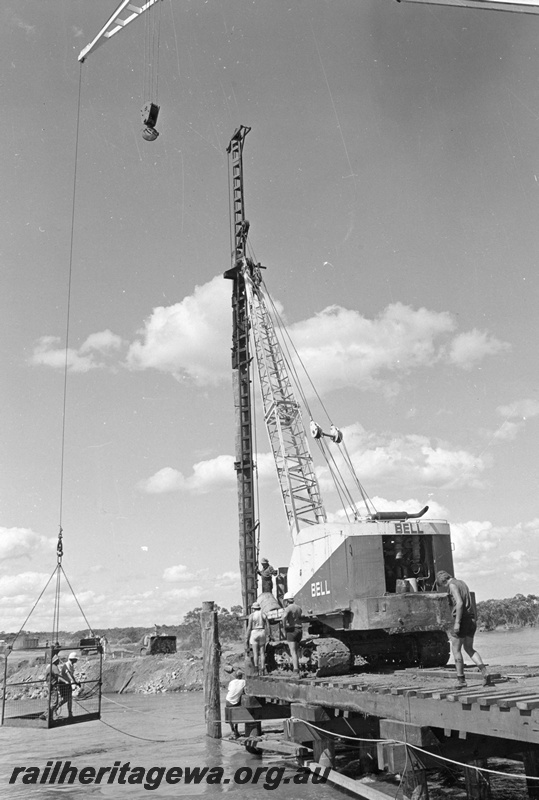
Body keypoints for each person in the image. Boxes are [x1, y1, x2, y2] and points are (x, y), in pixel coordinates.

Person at [436, 570, 492, 688]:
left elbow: (460, 603)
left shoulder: (452, 585)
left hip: (462, 619)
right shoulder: (462, 583)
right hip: (471, 619)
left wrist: (457, 623)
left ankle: (461, 680)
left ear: (443, 581)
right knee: (469, 648)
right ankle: (485, 672)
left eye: (442, 585)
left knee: (456, 649)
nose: (444, 587)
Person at [40, 654, 70, 721]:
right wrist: (66, 681)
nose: (59, 662)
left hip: (49, 686)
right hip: (53, 686)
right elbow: (58, 676)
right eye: (58, 660)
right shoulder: (54, 667)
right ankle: (45, 715)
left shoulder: (49, 667)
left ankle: (49, 717)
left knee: (51, 702)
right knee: (54, 703)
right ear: (55, 661)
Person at [282, 592, 303, 675]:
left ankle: (296, 671)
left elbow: (284, 617)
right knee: (297, 651)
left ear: (287, 601)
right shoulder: (298, 608)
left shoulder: (288, 608)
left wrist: (284, 627)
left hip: (292, 630)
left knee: (293, 651)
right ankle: (298, 667)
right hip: (299, 630)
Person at [245, 602, 269, 675]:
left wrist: (247, 636)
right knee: (262, 653)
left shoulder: (251, 615)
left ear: (253, 609)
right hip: (262, 631)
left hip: (254, 632)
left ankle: (256, 670)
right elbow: (268, 624)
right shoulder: (263, 614)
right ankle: (263, 669)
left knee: (255, 653)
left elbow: (249, 627)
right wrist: (269, 634)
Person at [57, 652, 82, 718]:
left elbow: (72, 675)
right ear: (72, 659)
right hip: (63, 684)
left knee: (70, 699)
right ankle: (56, 708)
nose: (76, 660)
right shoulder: (67, 665)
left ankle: (70, 714)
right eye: (75, 659)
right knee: (66, 699)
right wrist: (74, 683)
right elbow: (69, 675)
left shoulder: (71, 665)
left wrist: (76, 682)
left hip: (68, 683)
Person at [225, 670, 245, 738]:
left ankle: (232, 730)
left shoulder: (232, 682)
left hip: (228, 700)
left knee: (230, 716)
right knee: (236, 715)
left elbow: (229, 690)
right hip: (236, 701)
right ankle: (236, 729)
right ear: (241, 676)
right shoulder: (243, 681)